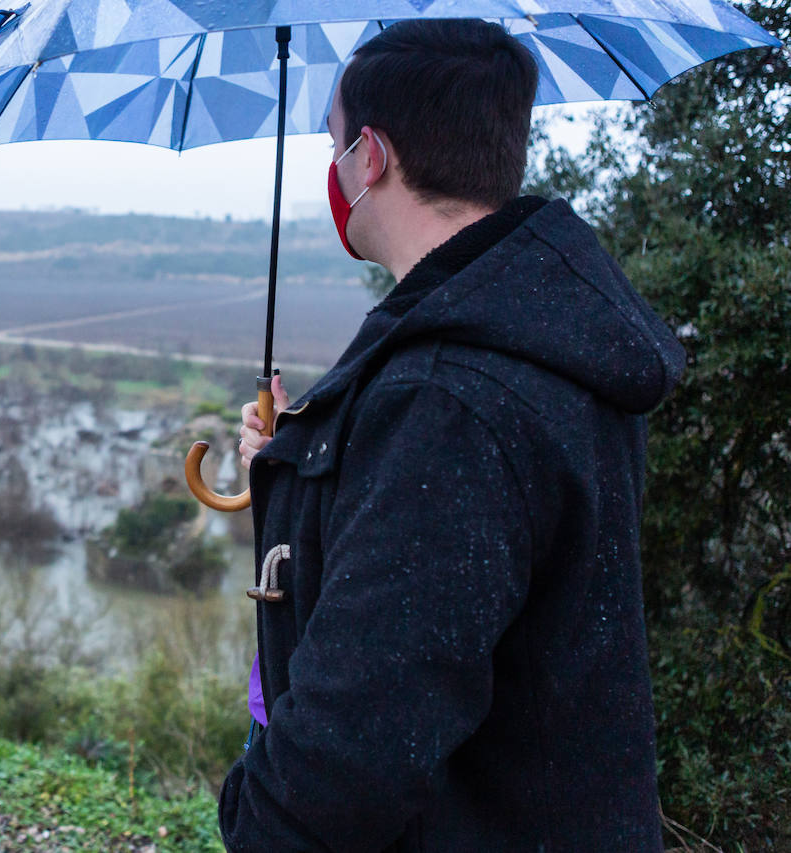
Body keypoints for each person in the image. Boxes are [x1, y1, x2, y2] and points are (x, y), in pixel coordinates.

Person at [219, 19, 685, 852]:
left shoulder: (447, 400)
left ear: (371, 156)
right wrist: (294, 468)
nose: (332, 170)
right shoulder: (539, 336)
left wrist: (257, 816)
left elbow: (356, 748)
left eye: (333, 145)